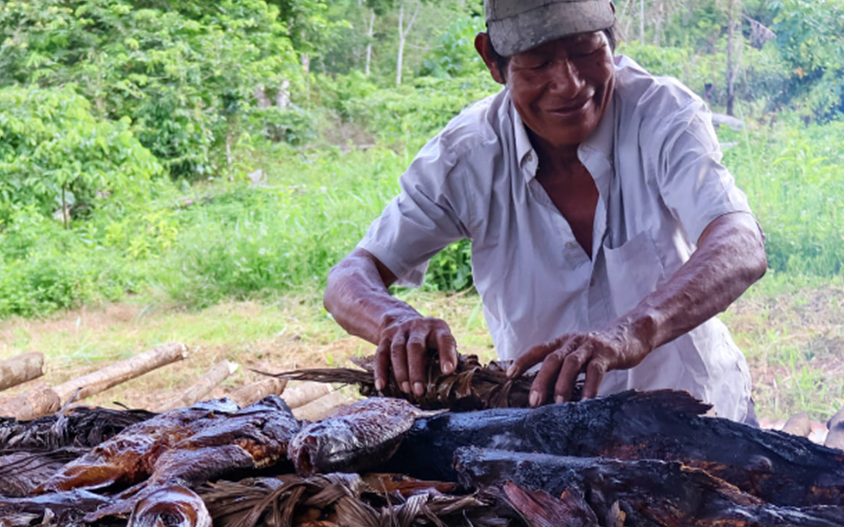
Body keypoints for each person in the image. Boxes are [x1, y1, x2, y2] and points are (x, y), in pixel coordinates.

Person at [322, 0, 766, 423]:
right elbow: (348, 278)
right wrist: (394, 321)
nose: (570, 83)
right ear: (492, 62)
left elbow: (740, 244)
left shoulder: (662, 116)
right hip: (555, 440)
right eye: (537, 62)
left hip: (703, 416)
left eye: (585, 51)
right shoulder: (466, 158)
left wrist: (633, 330)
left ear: (612, 41)